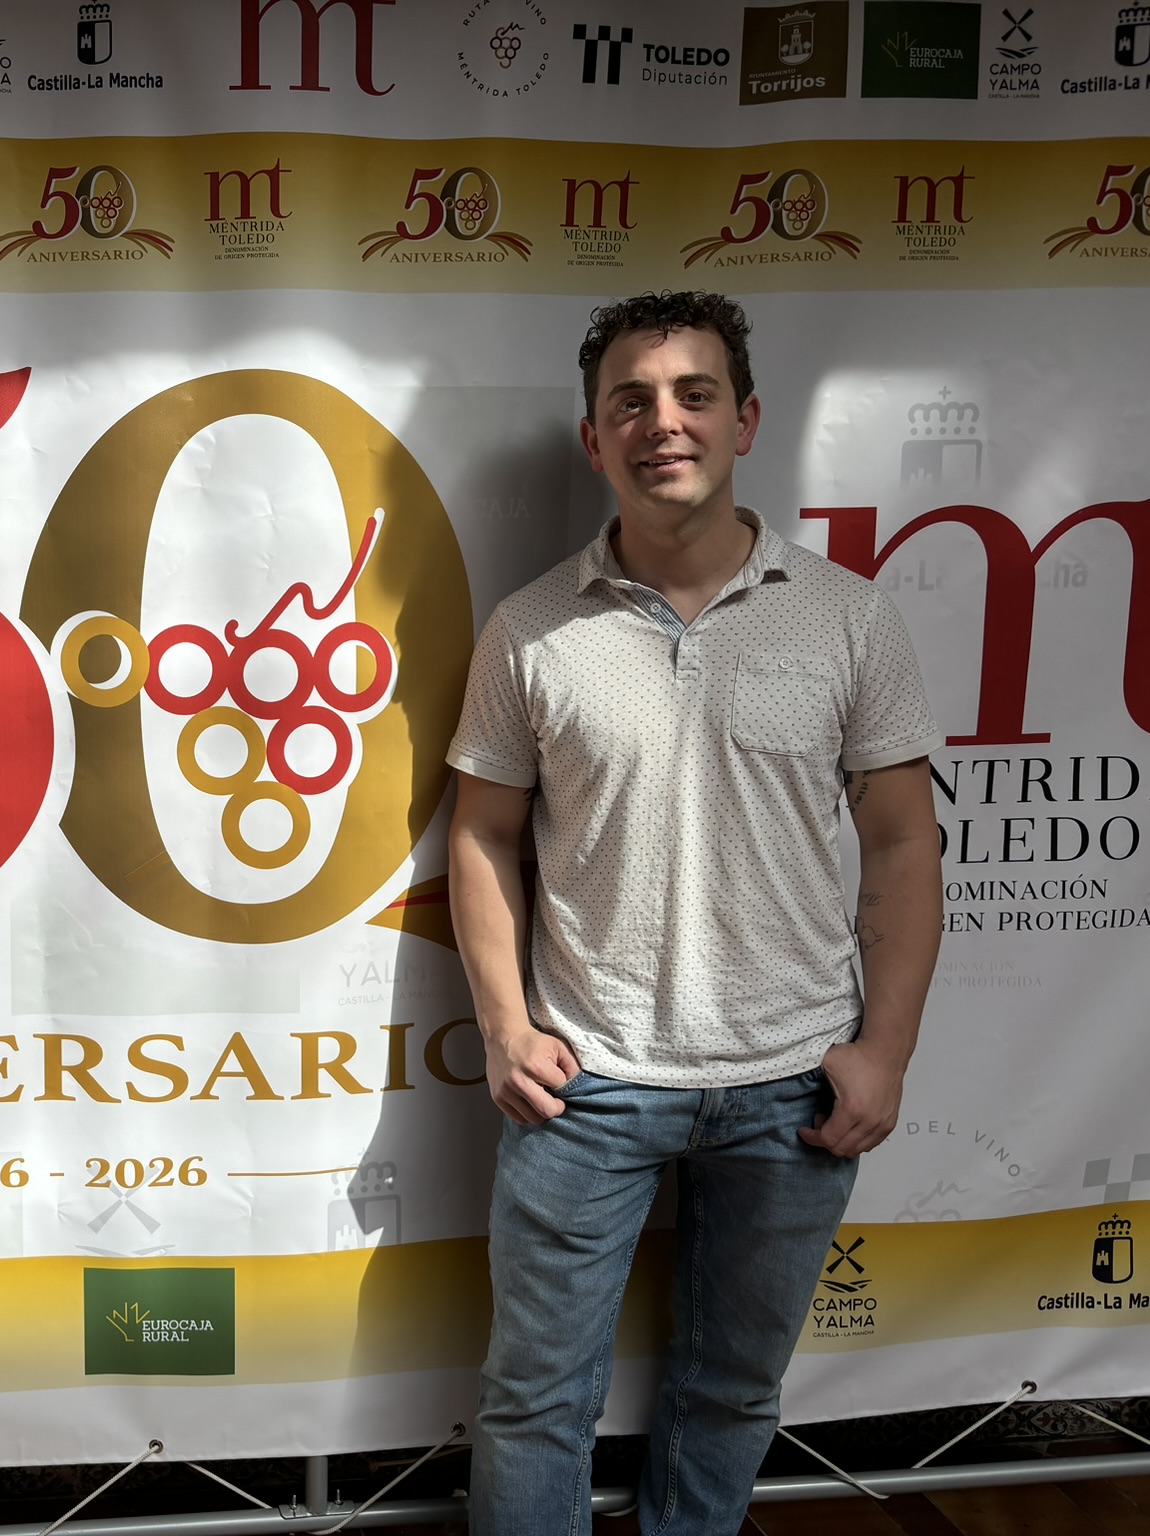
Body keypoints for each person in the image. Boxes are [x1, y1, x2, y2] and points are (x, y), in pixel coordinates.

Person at [447, 291, 943, 1534]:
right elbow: (481, 835)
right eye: (629, 401)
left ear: (744, 421)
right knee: (531, 1405)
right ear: (592, 438)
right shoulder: (529, 631)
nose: (660, 421)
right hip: (586, 1079)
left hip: (791, 1088)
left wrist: (883, 1050)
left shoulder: (847, 617)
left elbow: (900, 842)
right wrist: (503, 1027)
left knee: (730, 1395)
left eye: (691, 394)